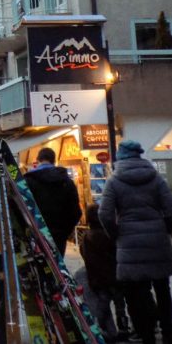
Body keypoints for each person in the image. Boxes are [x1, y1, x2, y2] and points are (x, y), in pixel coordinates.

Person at [99, 140, 172, 344]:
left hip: (129, 242)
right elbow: (169, 208)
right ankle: (168, 331)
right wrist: (165, 229)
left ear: (120, 157)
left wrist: (116, 233)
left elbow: (104, 213)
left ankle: (146, 333)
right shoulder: (156, 179)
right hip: (157, 241)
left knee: (137, 293)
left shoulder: (114, 181)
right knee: (162, 289)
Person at [24, 147, 82, 255]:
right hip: (59, 234)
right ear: (54, 160)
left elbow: (22, 207)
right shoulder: (66, 182)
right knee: (58, 268)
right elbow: (76, 212)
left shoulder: (28, 181)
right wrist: (65, 232)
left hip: (36, 233)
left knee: (39, 268)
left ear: (38, 160)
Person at [80, 204, 120, 341]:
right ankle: (121, 326)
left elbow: (83, 254)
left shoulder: (86, 237)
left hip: (96, 277)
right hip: (112, 276)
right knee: (117, 301)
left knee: (103, 302)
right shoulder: (108, 236)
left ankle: (101, 326)